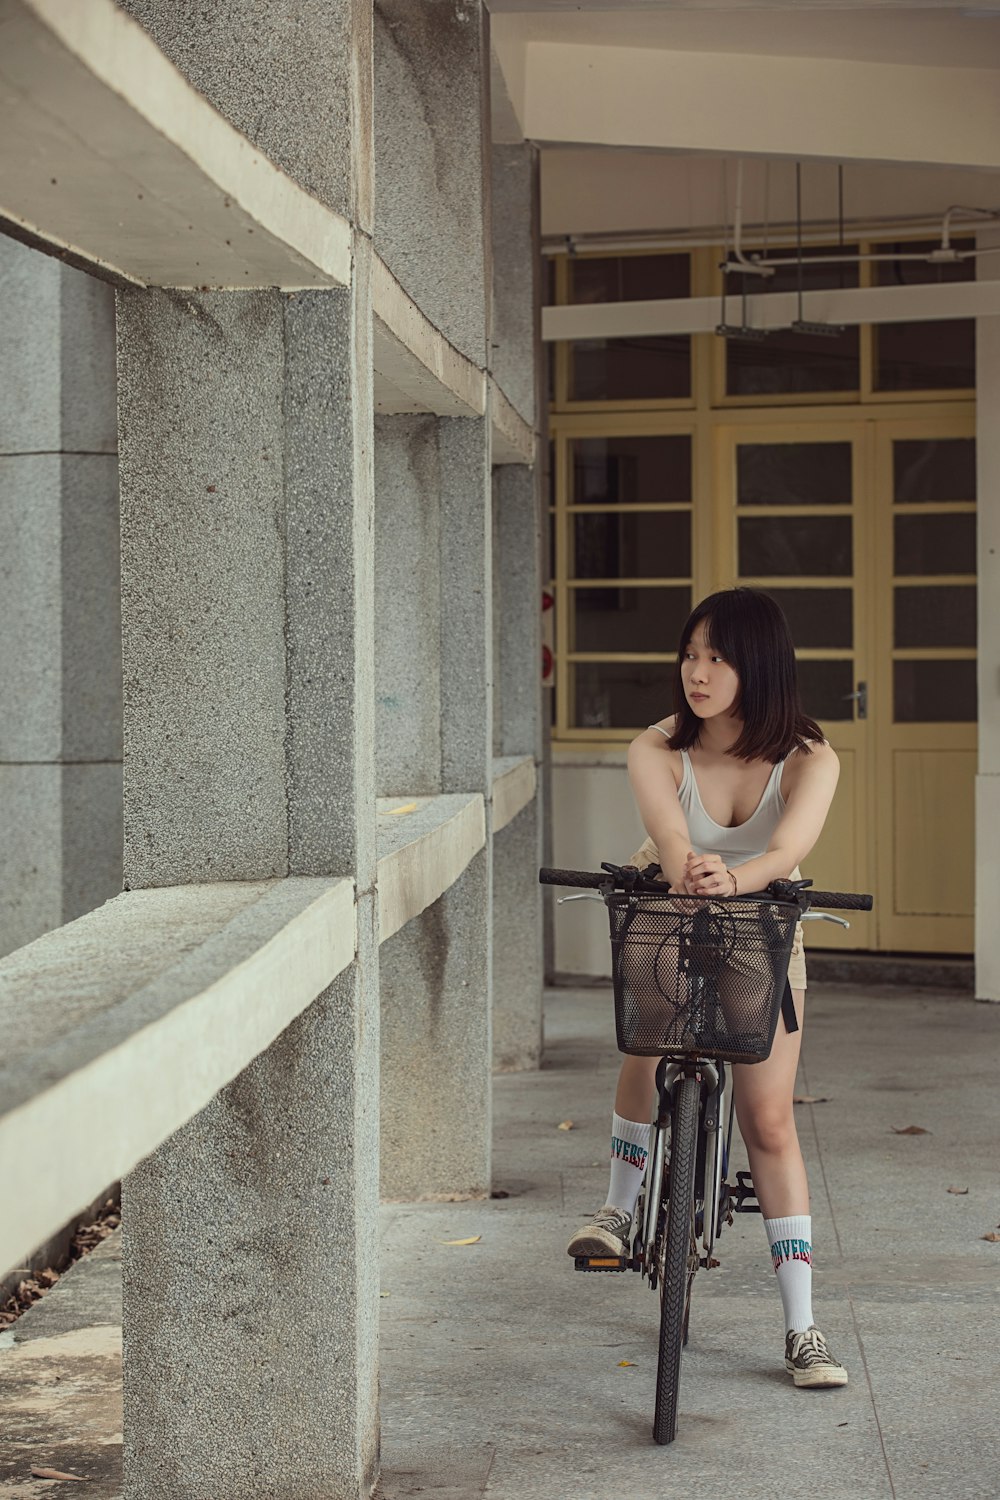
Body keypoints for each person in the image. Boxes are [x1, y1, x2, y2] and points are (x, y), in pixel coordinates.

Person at [566, 587, 848, 1389]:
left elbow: (789, 844)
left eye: (717, 657)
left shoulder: (811, 757)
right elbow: (668, 832)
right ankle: (619, 1207)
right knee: (649, 1038)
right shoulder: (655, 748)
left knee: (768, 1119)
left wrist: (744, 875)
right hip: (670, 900)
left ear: (758, 665)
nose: (697, 671)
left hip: (763, 920)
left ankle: (802, 1328)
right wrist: (689, 865)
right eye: (691, 654)